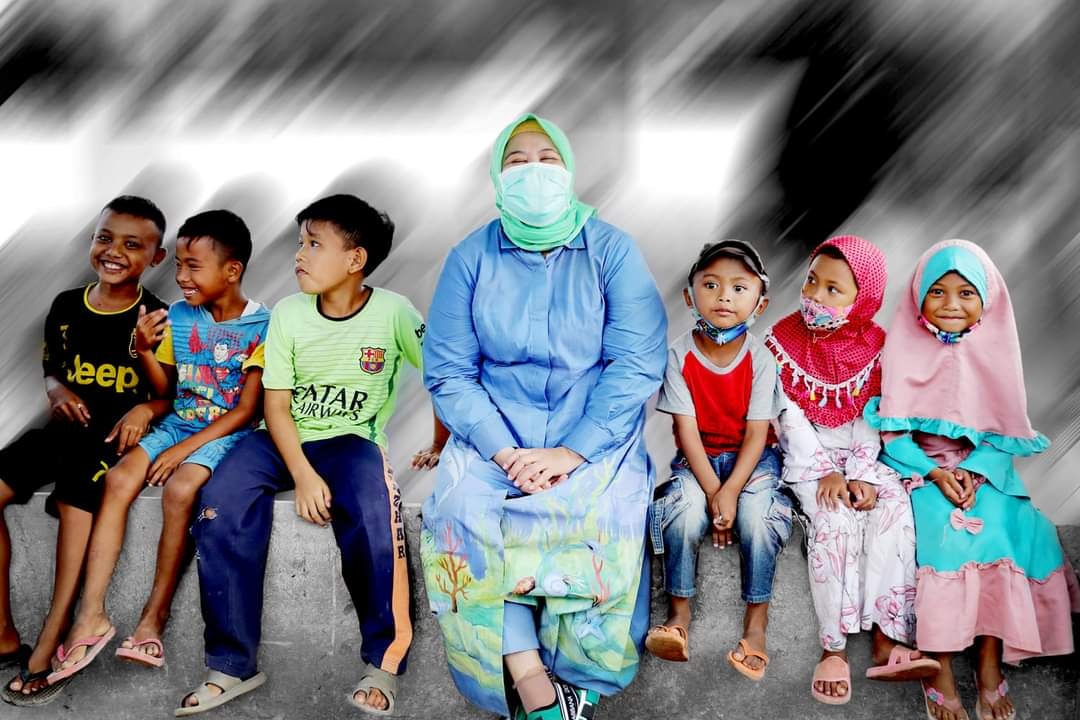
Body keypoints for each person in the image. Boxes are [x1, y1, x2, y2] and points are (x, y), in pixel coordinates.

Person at [420, 113, 667, 720]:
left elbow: (636, 362)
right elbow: (449, 371)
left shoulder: (611, 250)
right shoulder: (470, 257)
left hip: (595, 440)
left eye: (547, 159)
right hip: (492, 441)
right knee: (461, 512)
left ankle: (580, 684)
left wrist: (571, 452)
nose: (534, 171)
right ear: (497, 176)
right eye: (517, 161)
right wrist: (506, 454)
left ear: (569, 170)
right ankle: (535, 686)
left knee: (603, 518)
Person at [179, 194, 442, 716]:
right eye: (301, 243)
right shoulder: (290, 314)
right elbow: (275, 404)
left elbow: (445, 374)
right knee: (220, 504)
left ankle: (383, 663)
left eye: (314, 244)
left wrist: (441, 442)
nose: (299, 255)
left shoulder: (393, 312)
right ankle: (231, 665)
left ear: (355, 259)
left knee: (372, 513)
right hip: (280, 440)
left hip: (351, 441)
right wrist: (302, 474)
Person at [49, 209, 270, 686]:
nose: (181, 276)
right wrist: (146, 350)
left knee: (179, 490)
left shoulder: (263, 327)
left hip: (225, 433)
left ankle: (154, 617)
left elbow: (246, 411)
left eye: (194, 266)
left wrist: (182, 452)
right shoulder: (179, 315)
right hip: (178, 422)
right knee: (118, 479)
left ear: (232, 270)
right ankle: (92, 615)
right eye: (179, 265)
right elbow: (166, 389)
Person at [866, 239, 1080, 720]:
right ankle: (938, 665)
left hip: (984, 470)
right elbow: (893, 436)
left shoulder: (996, 349)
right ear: (918, 297)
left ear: (987, 300)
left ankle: (989, 658)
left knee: (1006, 526)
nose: (951, 304)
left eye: (966, 293)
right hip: (920, 471)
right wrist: (936, 473)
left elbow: (1005, 433)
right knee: (943, 533)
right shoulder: (902, 346)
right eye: (937, 292)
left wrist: (972, 471)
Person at [0, 196, 168, 705]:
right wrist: (56, 390)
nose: (114, 251)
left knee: (76, 505)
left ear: (156, 257)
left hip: (110, 442)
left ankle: (51, 638)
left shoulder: (158, 317)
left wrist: (146, 409)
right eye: (105, 238)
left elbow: (173, 393)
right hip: (60, 432)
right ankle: (4, 633)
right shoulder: (66, 305)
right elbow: (52, 366)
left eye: (132, 245)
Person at [766, 235, 937, 705]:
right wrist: (827, 472)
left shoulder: (877, 346)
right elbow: (787, 416)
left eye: (833, 290)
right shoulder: (783, 339)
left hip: (862, 458)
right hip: (809, 461)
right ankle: (833, 648)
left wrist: (861, 472)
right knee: (834, 520)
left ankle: (888, 638)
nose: (815, 297)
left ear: (863, 299)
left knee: (894, 509)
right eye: (811, 282)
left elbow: (872, 415)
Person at [647, 239, 793, 682]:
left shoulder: (762, 359)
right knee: (682, 513)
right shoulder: (678, 356)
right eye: (710, 285)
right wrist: (715, 493)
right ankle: (679, 615)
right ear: (689, 296)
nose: (724, 297)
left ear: (760, 303)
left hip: (755, 461)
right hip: (698, 463)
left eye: (738, 288)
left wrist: (731, 492)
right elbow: (687, 431)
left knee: (758, 517)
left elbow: (757, 434)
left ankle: (755, 626)